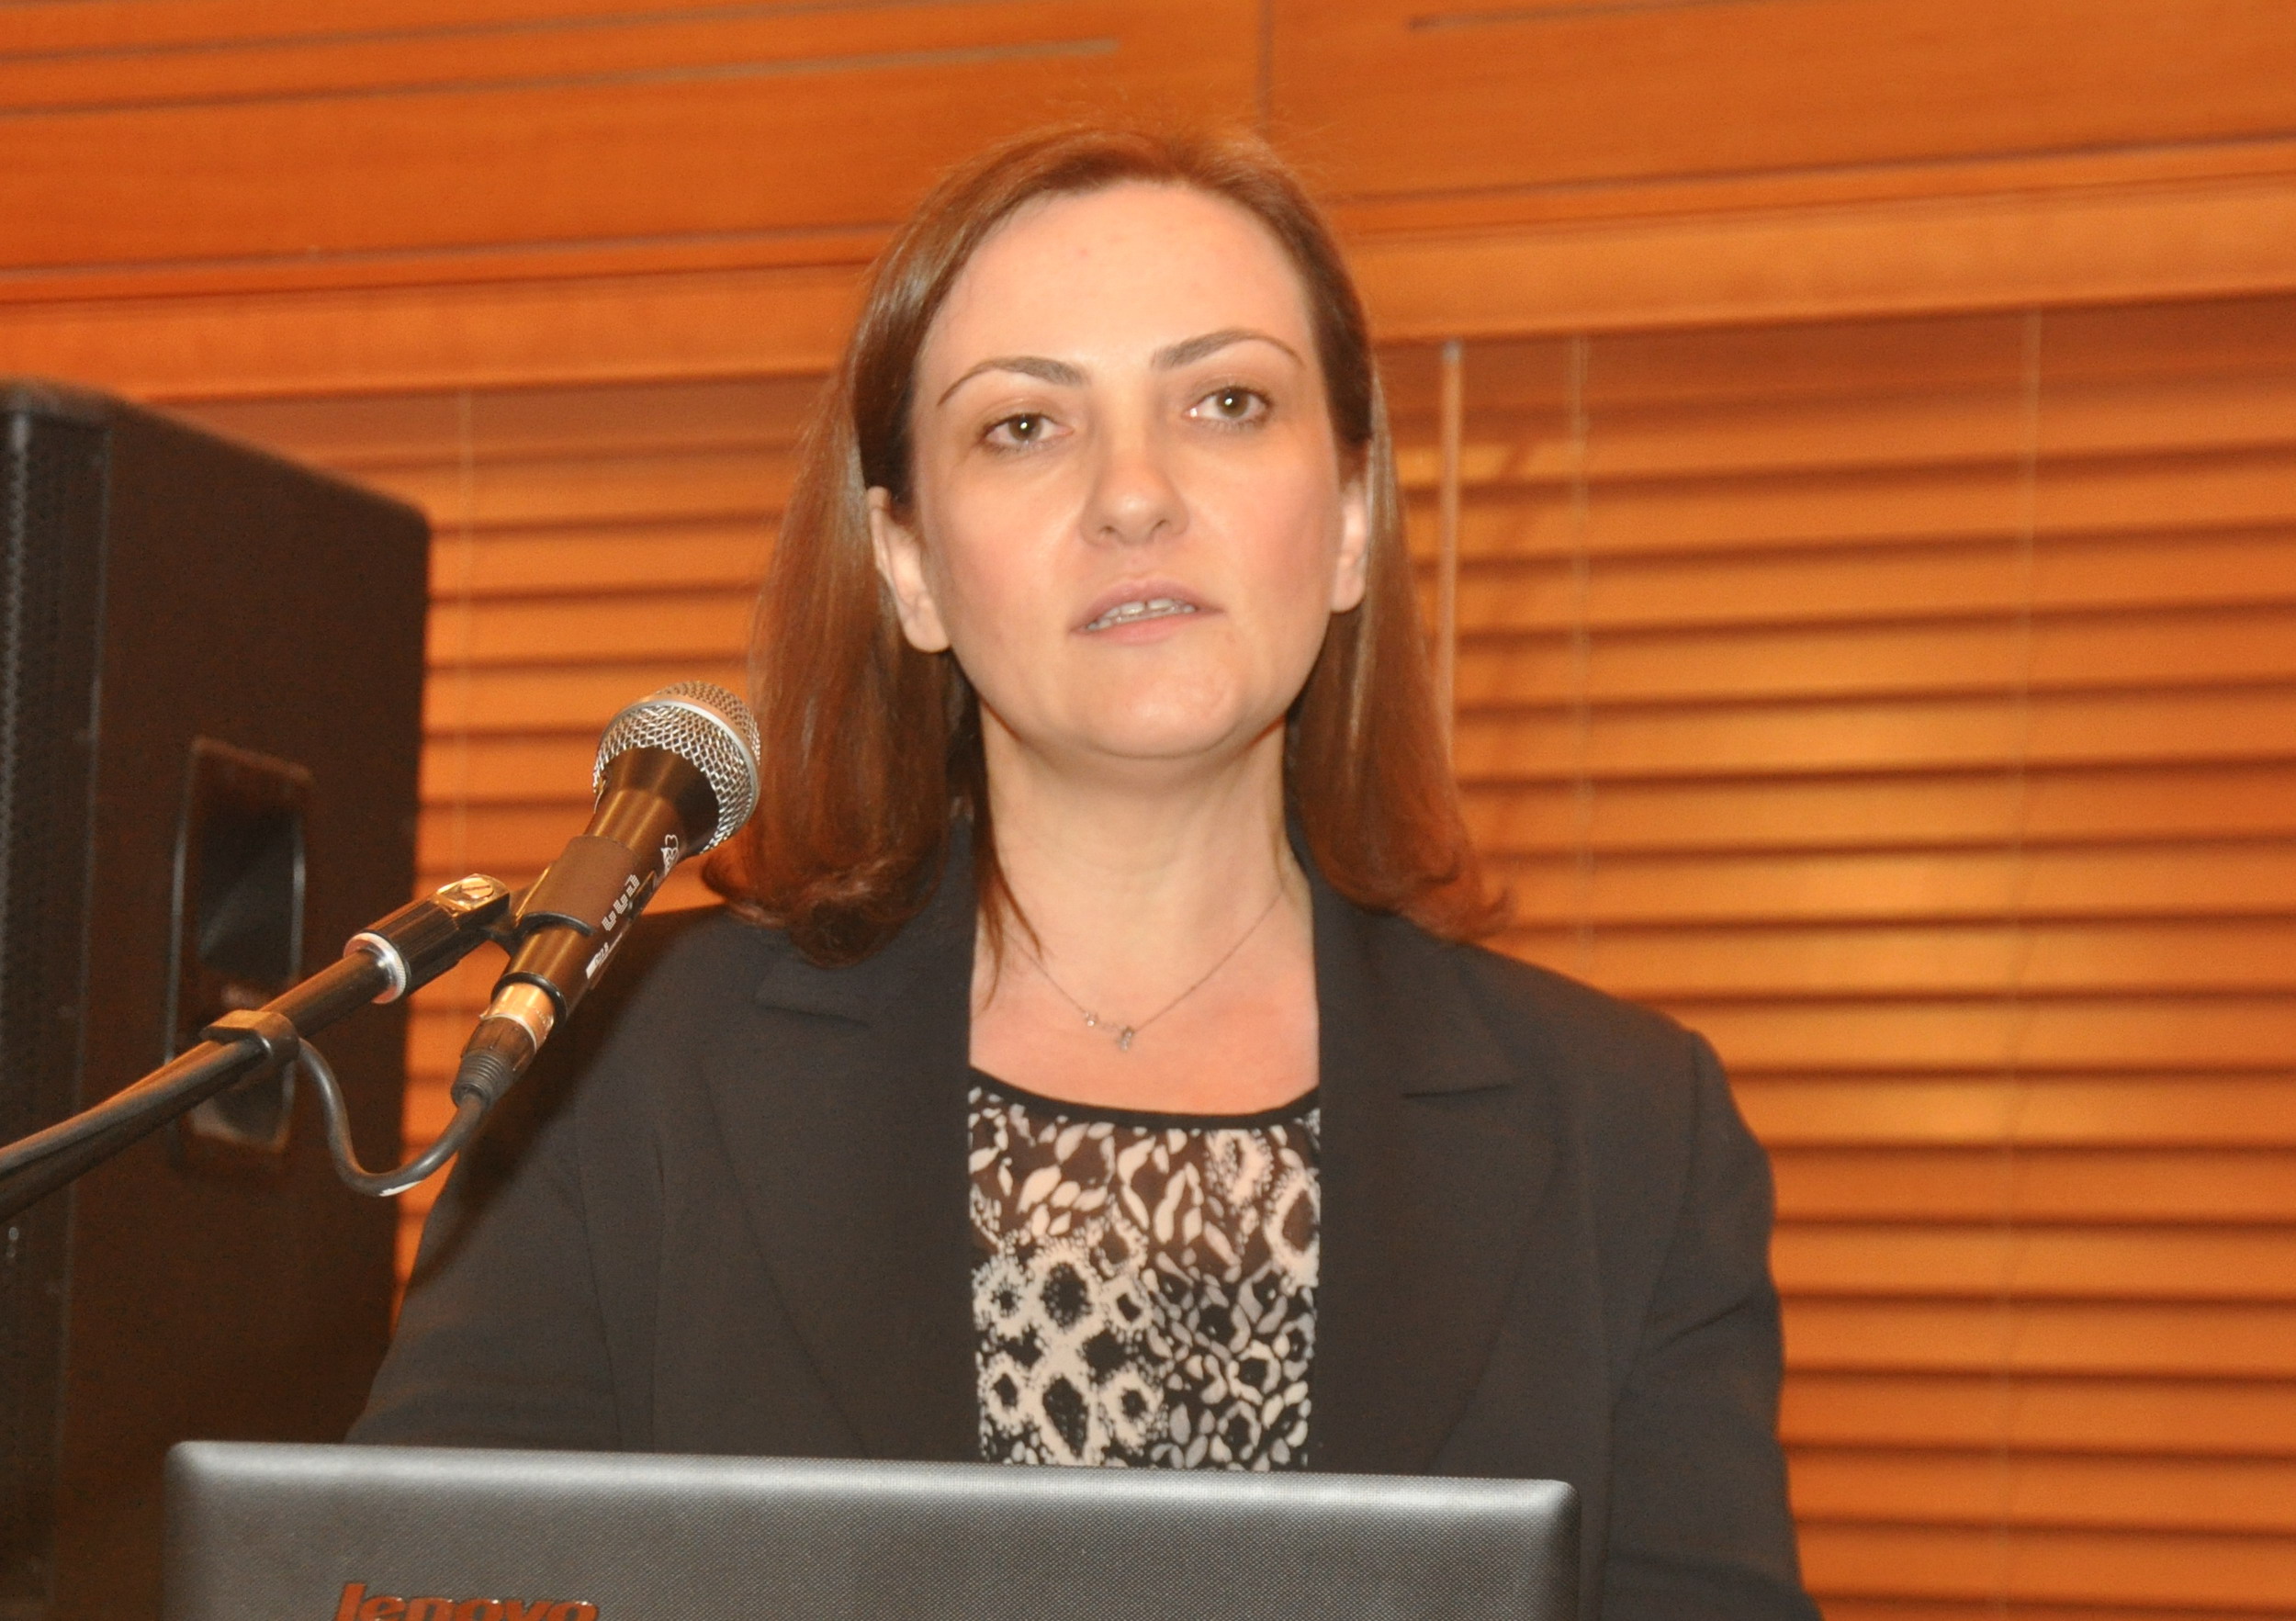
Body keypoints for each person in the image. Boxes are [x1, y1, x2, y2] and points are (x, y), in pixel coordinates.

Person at [354, 125, 1819, 1619]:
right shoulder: (618, 1063)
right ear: (910, 565)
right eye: (1024, 425)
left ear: (1351, 520)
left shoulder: (1633, 1133)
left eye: (1228, 402)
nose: (1134, 494)